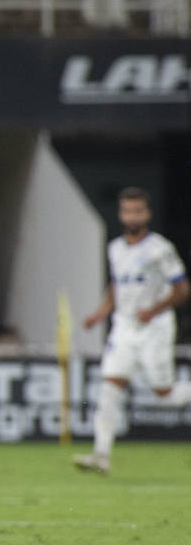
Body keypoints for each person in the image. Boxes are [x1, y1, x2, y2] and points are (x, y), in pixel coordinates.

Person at [74, 187, 190, 473]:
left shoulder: (159, 249)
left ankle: (101, 454)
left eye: (138, 210)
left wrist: (154, 310)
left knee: (165, 395)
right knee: (110, 386)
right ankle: (101, 455)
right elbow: (116, 286)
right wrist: (100, 313)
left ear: (147, 214)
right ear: (121, 214)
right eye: (127, 210)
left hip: (155, 327)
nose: (132, 216)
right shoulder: (115, 248)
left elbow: (182, 289)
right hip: (125, 327)